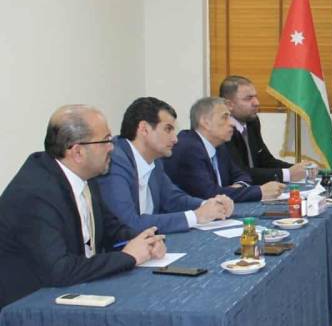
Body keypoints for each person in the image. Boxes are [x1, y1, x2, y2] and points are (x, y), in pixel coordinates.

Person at [0, 105, 165, 308]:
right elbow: (60, 270)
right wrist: (128, 257)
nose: (112, 147)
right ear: (77, 152)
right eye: (106, 140)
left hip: (77, 289)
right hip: (29, 307)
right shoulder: (35, 194)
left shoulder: (85, 176)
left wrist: (145, 241)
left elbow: (112, 229)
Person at [94, 97, 234, 234]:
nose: (175, 139)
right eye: (168, 129)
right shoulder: (114, 161)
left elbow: (172, 199)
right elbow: (128, 223)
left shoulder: (154, 159)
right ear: (144, 129)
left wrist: (209, 205)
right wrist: (196, 216)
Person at [164, 97, 283, 203]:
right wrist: (259, 191)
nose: (232, 123)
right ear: (205, 122)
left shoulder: (220, 145)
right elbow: (209, 194)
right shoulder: (188, 147)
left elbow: (242, 175)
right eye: (225, 117)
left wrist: (237, 187)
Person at [220, 75, 307, 186]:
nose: (256, 103)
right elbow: (239, 172)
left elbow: (266, 161)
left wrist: (299, 169)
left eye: (256, 97)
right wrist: (286, 174)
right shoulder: (221, 131)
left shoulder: (252, 122)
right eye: (248, 98)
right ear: (229, 105)